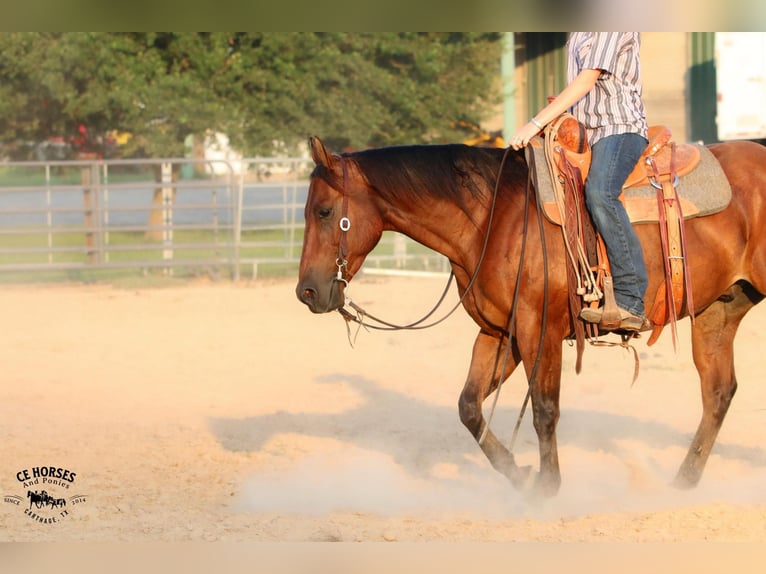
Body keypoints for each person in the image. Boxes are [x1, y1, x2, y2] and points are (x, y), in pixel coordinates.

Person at [509, 32, 649, 332]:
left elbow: (586, 81)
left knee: (600, 193)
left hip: (618, 128)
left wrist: (536, 121)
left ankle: (631, 298)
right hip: (584, 131)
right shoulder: (577, 31)